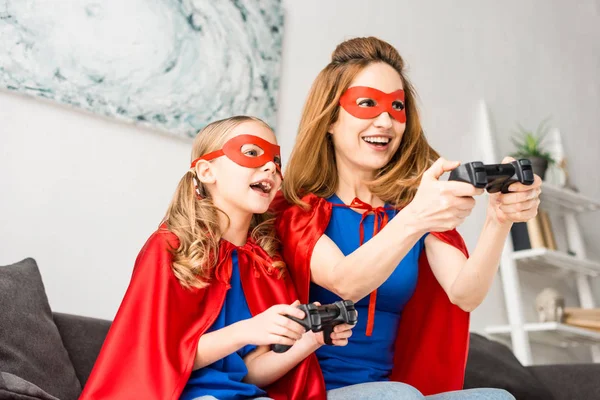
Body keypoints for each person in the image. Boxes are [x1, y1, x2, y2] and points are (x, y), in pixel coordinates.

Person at [274, 37, 541, 399]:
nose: (385, 120)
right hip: (316, 391)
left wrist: (499, 218)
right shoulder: (297, 211)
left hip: (396, 390)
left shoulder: (410, 212)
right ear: (330, 120)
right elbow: (345, 282)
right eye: (367, 103)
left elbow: (465, 293)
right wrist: (416, 215)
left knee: (498, 398)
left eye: (397, 107)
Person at [80, 116, 354, 400]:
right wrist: (247, 330)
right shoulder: (170, 248)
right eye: (251, 152)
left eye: (276, 160)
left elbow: (250, 373)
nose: (271, 167)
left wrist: (312, 339)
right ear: (206, 171)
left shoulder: (266, 264)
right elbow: (159, 357)